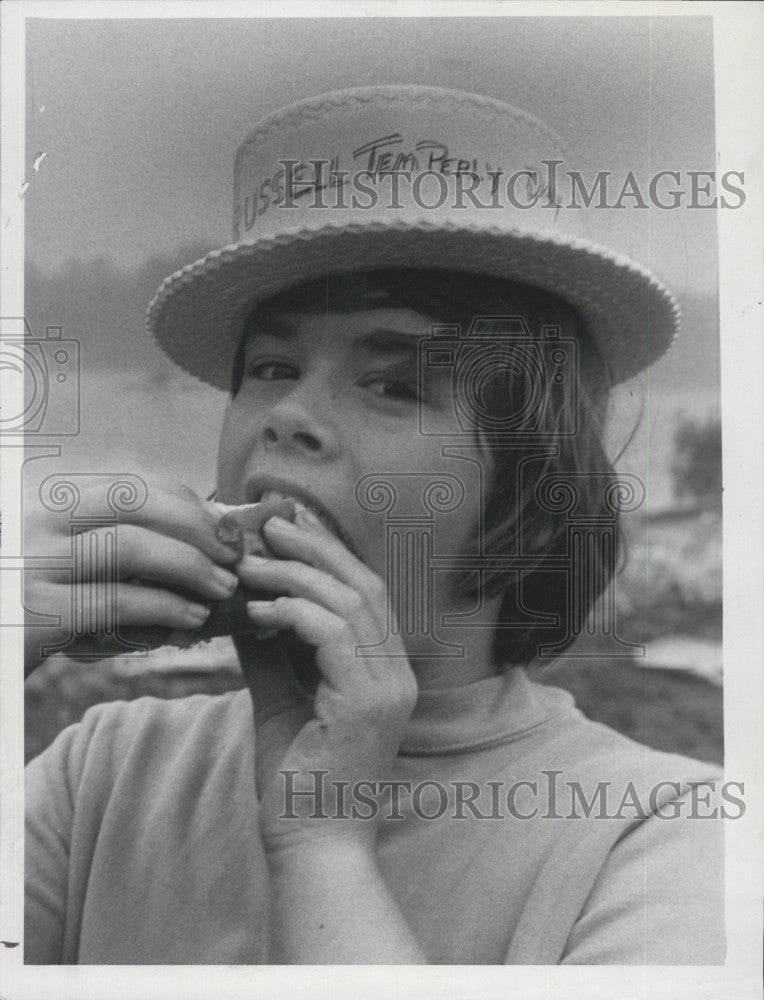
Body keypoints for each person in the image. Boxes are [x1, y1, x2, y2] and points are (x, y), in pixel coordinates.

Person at [24, 86, 725, 965]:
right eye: (272, 367)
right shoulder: (104, 772)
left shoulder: (661, 837)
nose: (288, 417)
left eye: (393, 384)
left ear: (537, 503)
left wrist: (322, 845)